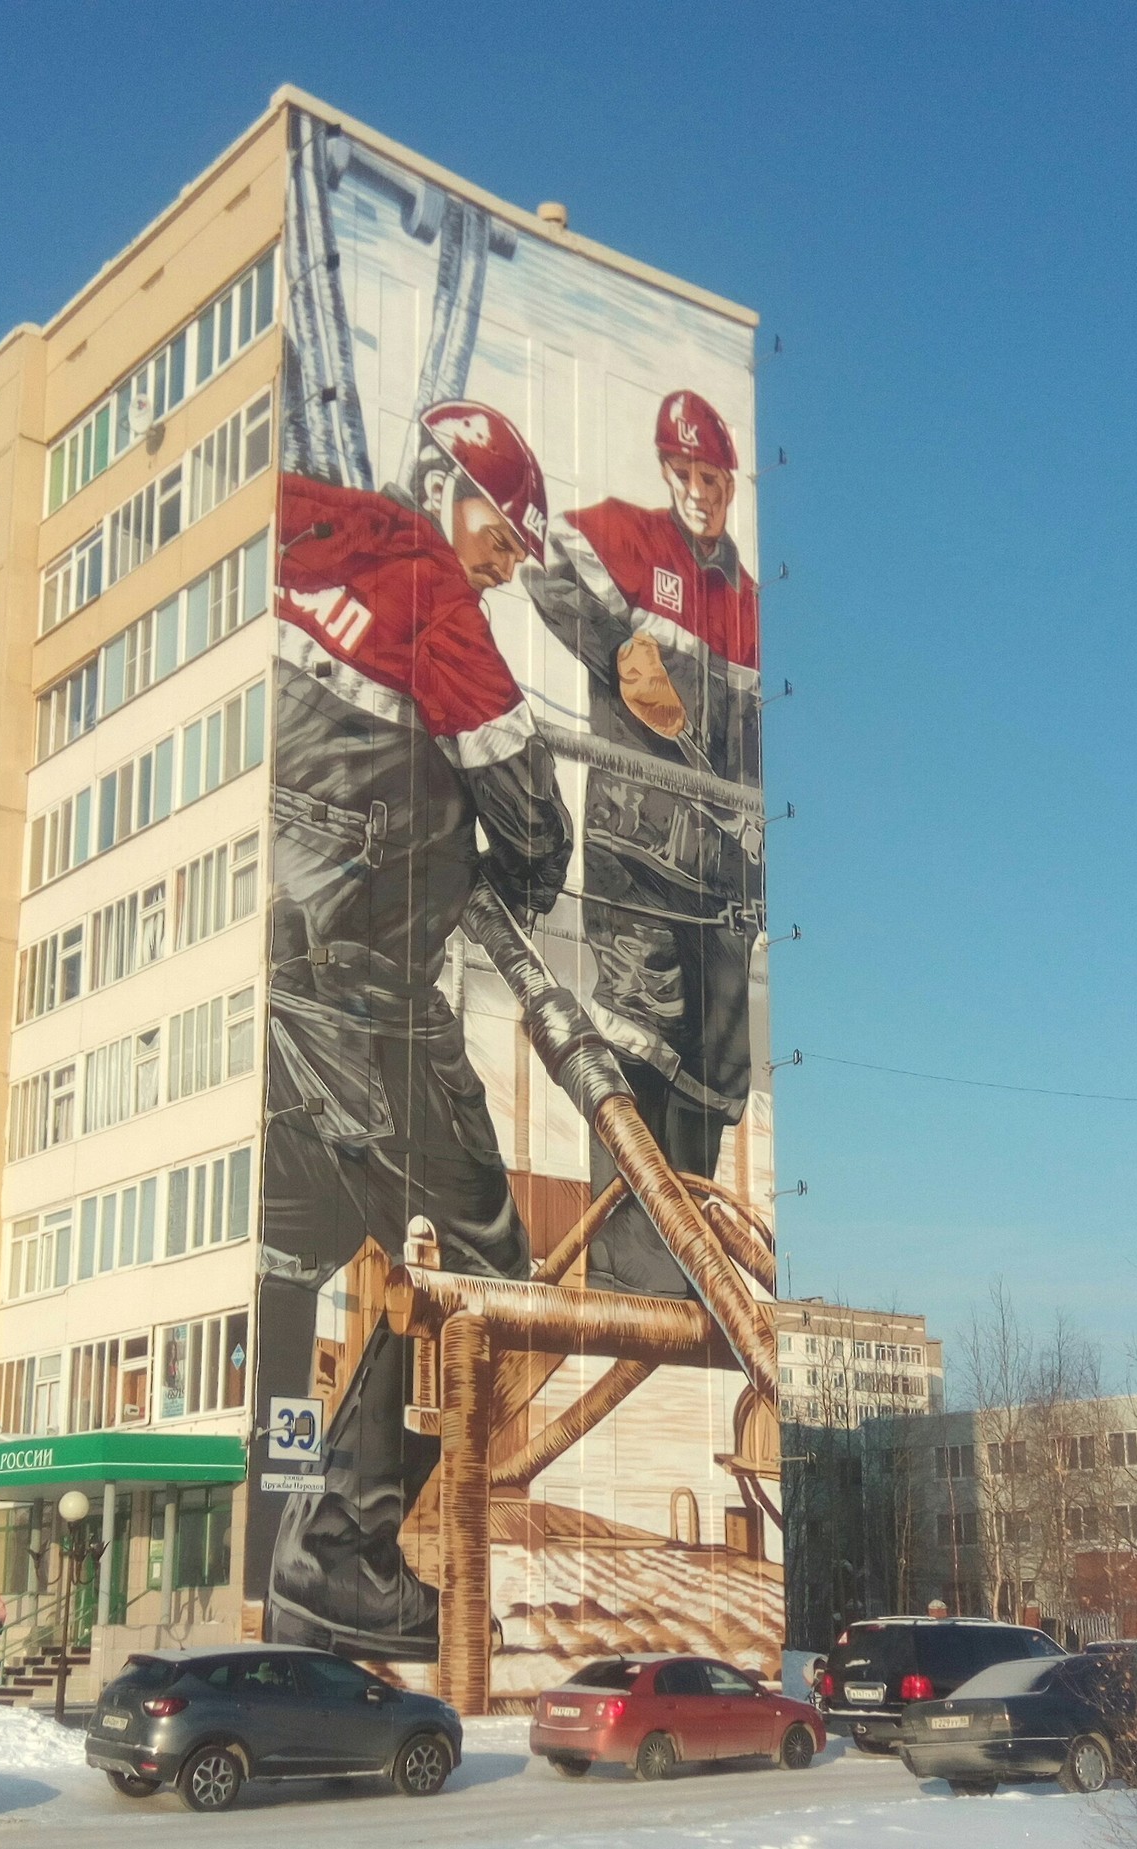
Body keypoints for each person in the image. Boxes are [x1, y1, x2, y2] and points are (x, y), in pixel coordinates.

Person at [256, 400, 573, 1659]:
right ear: (453, 494)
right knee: (486, 1278)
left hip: (264, 961)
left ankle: (259, 1523)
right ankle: (338, 1554)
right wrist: (521, 871)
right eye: (504, 535)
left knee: (299, 1238)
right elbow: (532, 813)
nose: (506, 563)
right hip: (365, 983)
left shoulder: (298, 531)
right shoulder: (433, 597)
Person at [528, 389, 762, 1300]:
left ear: (732, 483)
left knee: (715, 1063)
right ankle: (632, 1258)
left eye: (714, 477)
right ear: (667, 473)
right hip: (636, 851)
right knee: (635, 1031)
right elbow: (545, 558)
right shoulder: (631, 539)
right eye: (686, 474)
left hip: (725, 876)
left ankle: (693, 1260)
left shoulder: (749, 602)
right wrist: (617, 644)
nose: (700, 491)